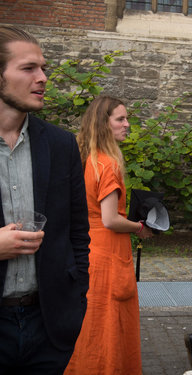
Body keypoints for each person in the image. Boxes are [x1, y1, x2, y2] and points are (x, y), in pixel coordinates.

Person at [0, 26, 90, 373]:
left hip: (49, 326)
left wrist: (76, 302)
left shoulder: (60, 144)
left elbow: (78, 233)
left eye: (43, 68)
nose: (42, 78)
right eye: (28, 68)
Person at [64, 96, 153, 375]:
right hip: (108, 256)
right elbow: (111, 219)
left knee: (89, 323)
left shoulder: (85, 159)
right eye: (120, 119)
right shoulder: (108, 164)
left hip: (87, 250)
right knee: (108, 326)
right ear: (104, 124)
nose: (127, 124)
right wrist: (140, 227)